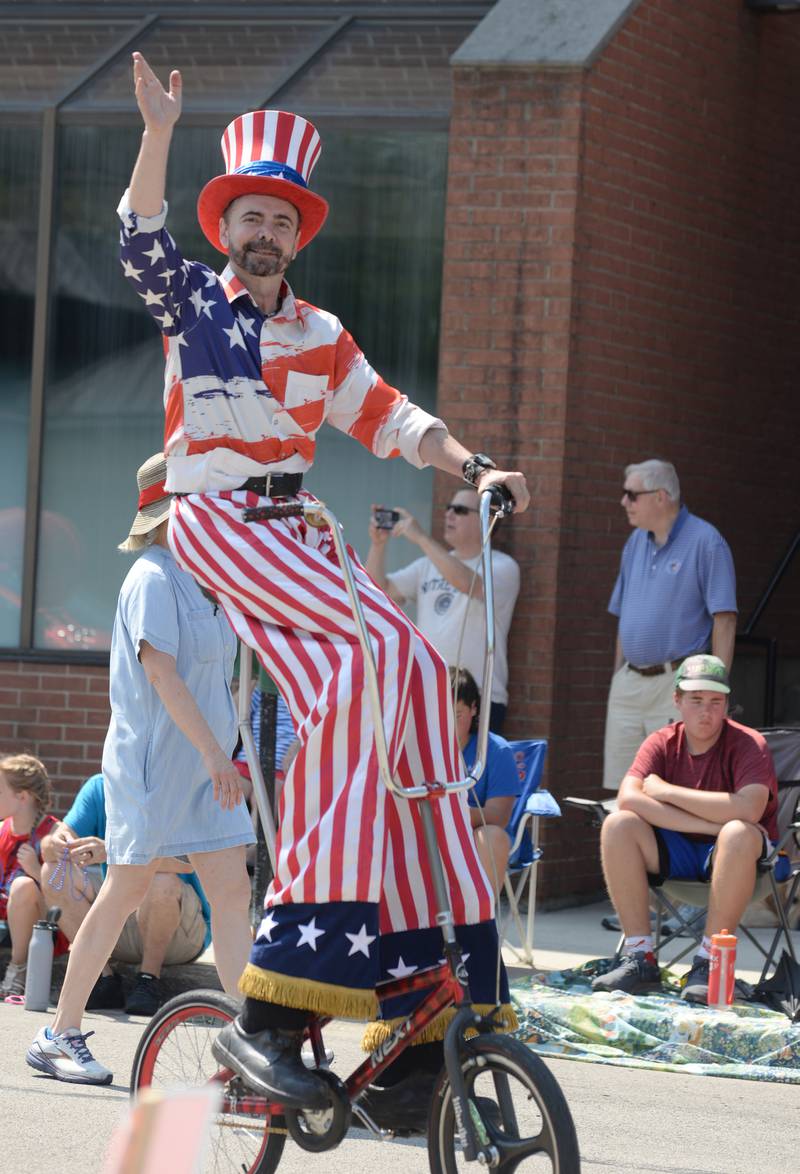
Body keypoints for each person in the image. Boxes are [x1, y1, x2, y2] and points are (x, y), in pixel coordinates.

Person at [115, 53, 530, 1113]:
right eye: (250, 217)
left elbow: (394, 420)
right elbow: (138, 238)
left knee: (408, 675)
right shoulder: (198, 308)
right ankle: (272, 1000)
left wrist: (471, 462)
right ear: (228, 231)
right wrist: (160, 130)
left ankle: (417, 979)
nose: (265, 235)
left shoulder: (320, 334)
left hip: (297, 529)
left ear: (298, 238)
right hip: (216, 519)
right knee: (362, 670)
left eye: (281, 222)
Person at [26, 452, 255, 1085]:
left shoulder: (210, 581)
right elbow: (161, 672)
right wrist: (218, 756)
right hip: (156, 765)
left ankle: (244, 1045)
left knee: (234, 889)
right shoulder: (153, 577)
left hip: (209, 768)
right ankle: (58, 1033)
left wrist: (221, 755)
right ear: (173, 511)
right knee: (125, 888)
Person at [592, 655, 780, 1004]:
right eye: (695, 700)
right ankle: (639, 958)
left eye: (715, 702)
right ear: (677, 700)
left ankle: (710, 962)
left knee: (737, 832)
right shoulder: (661, 741)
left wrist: (665, 792)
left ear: (727, 705)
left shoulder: (749, 743)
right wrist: (709, 822)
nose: (706, 712)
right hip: (676, 852)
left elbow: (749, 808)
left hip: (743, 864)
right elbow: (629, 798)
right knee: (618, 823)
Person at [603, 459, 737, 792]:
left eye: (631, 495)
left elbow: (725, 620)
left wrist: (713, 690)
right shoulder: (634, 542)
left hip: (677, 684)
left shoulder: (707, 542)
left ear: (661, 496)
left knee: (671, 788)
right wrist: (618, 675)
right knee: (623, 789)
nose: (624, 502)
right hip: (628, 685)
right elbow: (625, 616)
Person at [39, 772, 213, 1016]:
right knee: (53, 873)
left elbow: (188, 863)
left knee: (159, 880)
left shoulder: (179, 788)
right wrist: (56, 845)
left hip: (180, 934)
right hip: (119, 920)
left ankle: (148, 980)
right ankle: (104, 979)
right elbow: (49, 845)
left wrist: (110, 853)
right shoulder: (100, 786)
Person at [366, 487, 520, 733]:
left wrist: (422, 538)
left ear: (487, 520)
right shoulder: (427, 565)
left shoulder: (503, 566)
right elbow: (377, 592)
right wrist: (378, 545)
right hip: (428, 695)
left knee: (465, 773)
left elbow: (469, 584)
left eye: (459, 510)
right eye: (448, 508)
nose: (449, 514)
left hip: (476, 699)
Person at [0, 755, 68, 999]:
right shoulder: (2, 829)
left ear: (22, 796)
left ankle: (18, 967)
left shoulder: (54, 832)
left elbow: (66, 889)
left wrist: (36, 871)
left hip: (43, 923)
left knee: (23, 886)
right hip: (5, 919)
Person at [451, 668, 521, 894]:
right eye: (441, 714)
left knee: (491, 836)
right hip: (434, 834)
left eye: (457, 715)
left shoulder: (496, 750)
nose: (449, 724)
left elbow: (498, 817)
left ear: (474, 709)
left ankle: (482, 922)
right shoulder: (422, 749)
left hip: (478, 837)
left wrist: (448, 813)